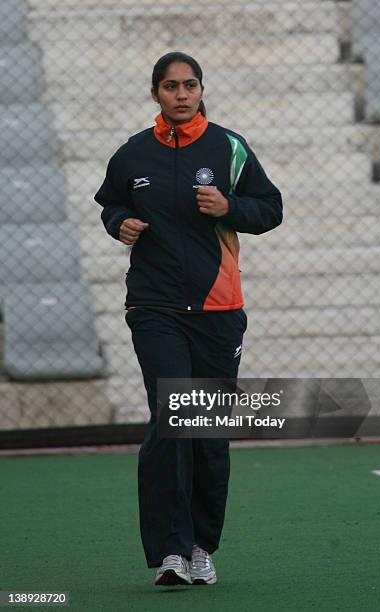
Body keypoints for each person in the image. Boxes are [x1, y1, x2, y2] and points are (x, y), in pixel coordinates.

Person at [94, 51, 283, 587]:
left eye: (190, 85)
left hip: (220, 311)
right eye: (171, 85)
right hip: (154, 307)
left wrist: (230, 209)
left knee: (207, 432)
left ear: (201, 90)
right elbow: (109, 204)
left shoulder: (230, 147)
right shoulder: (132, 154)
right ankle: (170, 553)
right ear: (155, 92)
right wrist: (120, 223)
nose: (181, 94)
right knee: (172, 418)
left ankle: (202, 547)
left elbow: (270, 208)